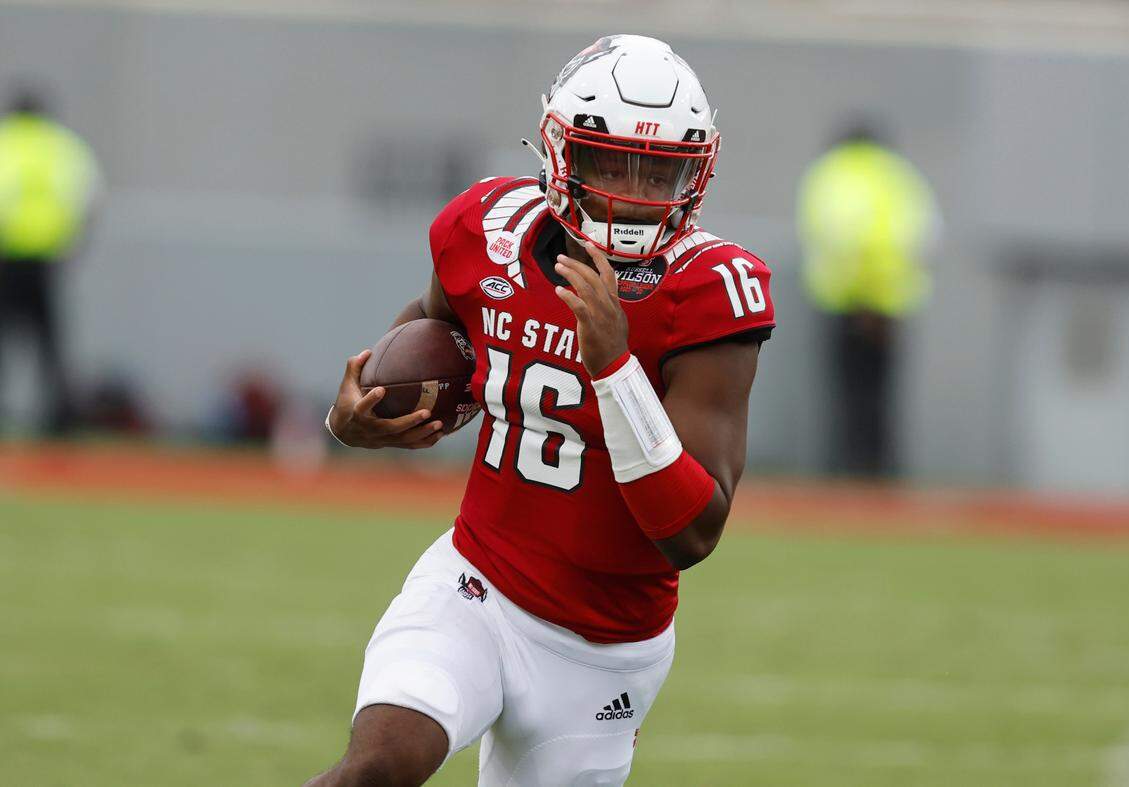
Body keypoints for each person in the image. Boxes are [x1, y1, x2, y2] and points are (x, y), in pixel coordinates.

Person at [312, 35, 775, 786]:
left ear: (695, 170)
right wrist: (357, 414)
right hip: (476, 585)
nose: (631, 191)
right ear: (562, 153)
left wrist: (614, 367)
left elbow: (694, 530)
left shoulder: (711, 290)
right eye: (610, 161)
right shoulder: (487, 228)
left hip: (605, 652)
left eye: (657, 170)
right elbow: (441, 334)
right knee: (378, 768)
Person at [797, 121, 937, 477]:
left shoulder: (832, 173)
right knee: (880, 395)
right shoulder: (899, 175)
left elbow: (833, 235)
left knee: (846, 393)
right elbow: (923, 234)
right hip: (891, 306)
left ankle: (846, 471)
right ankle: (880, 474)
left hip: (843, 305)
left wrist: (858, 294)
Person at [0, 85, 101, 434]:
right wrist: (71, 247)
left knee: (5, 337)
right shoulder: (62, 146)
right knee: (51, 342)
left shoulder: (6, 142)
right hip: (48, 258)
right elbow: (88, 200)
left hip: (8, 256)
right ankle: (59, 417)